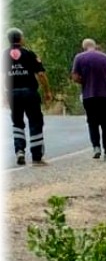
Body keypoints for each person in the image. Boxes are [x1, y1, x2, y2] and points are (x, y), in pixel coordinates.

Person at [4, 28, 52, 166]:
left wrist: (4, 94)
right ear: (21, 38)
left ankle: (19, 151)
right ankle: (37, 157)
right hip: (29, 92)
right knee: (35, 121)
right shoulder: (29, 54)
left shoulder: (3, 55)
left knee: (17, 123)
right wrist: (47, 91)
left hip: (12, 93)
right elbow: (41, 74)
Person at [71, 38, 106, 162]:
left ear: (84, 47)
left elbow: (75, 77)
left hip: (89, 96)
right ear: (95, 46)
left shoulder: (79, 58)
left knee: (92, 122)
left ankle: (96, 147)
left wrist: (85, 82)